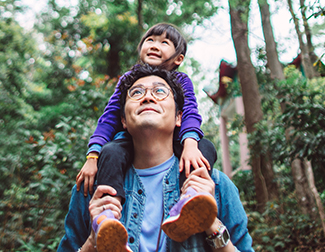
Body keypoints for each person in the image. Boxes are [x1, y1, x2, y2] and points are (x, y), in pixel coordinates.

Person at [57, 64, 254, 252]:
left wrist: (211, 223)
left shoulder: (216, 186)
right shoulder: (92, 190)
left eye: (159, 91)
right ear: (123, 121)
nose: (148, 97)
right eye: (136, 93)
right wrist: (92, 243)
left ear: (179, 118)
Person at [75, 23, 217, 202]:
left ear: (178, 59)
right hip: (132, 140)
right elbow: (110, 116)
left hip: (174, 138)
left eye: (164, 42)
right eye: (149, 40)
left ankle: (192, 198)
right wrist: (93, 154)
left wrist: (189, 143)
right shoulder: (129, 79)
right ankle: (109, 210)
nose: (154, 45)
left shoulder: (181, 80)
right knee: (110, 152)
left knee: (205, 147)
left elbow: (190, 112)